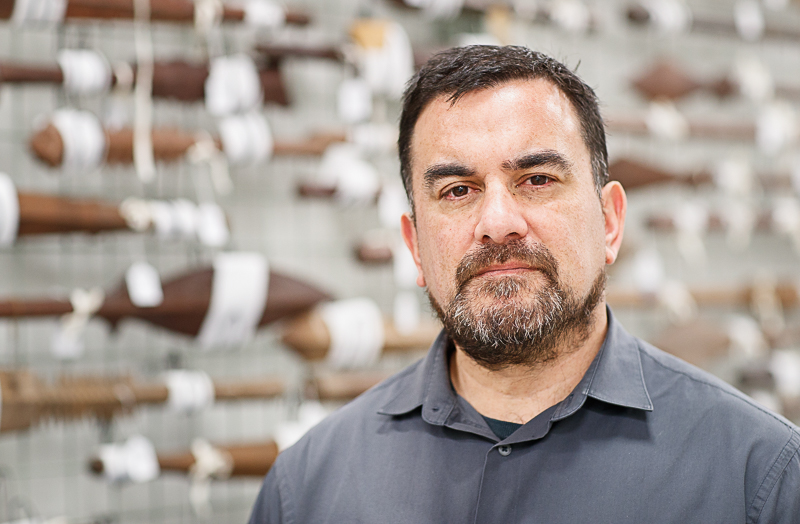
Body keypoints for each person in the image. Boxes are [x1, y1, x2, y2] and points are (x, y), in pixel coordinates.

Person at [248, 46, 800, 523]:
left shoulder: (760, 478)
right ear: (415, 246)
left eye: (536, 180)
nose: (497, 222)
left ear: (609, 222)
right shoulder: (307, 489)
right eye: (458, 191)